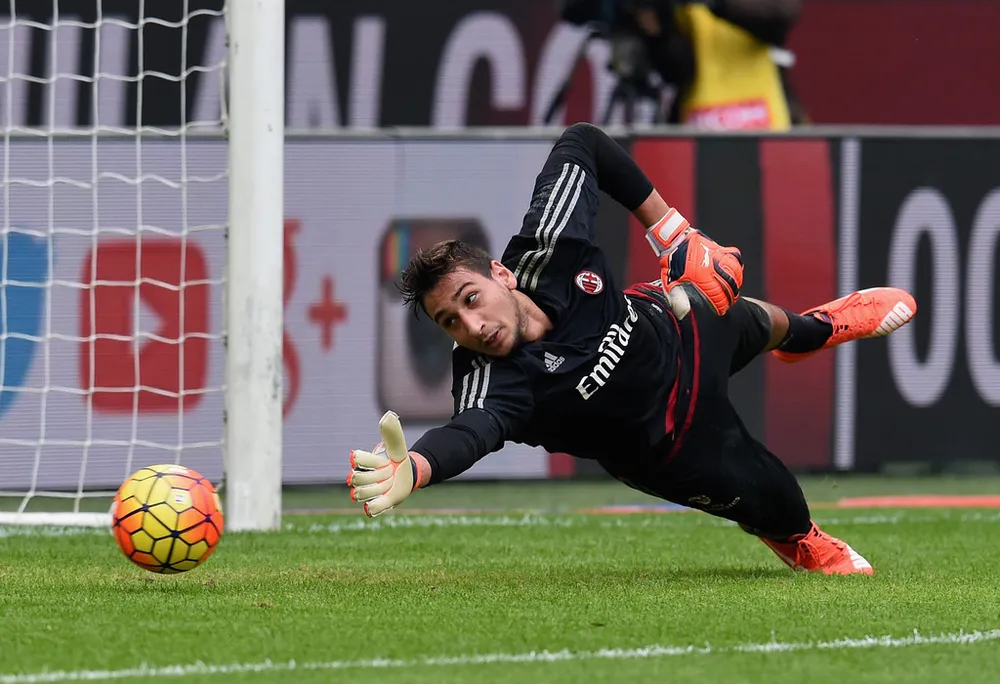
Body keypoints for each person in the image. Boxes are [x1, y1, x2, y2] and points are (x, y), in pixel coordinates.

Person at [346, 122, 916, 576]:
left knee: (756, 314)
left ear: (502, 274)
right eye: (450, 321)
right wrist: (417, 467)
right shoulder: (490, 378)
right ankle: (801, 540)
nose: (472, 325)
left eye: (472, 298)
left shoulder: (548, 248)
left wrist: (672, 232)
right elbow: (469, 431)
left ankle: (816, 329)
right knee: (776, 501)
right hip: (670, 441)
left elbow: (584, 142)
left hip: (674, 324)